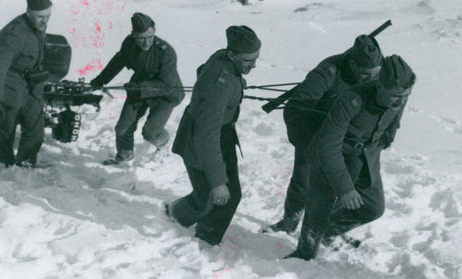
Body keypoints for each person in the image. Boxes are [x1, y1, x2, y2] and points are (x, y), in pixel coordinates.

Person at [286, 54, 416, 261]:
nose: (401, 101)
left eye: (405, 95)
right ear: (379, 85)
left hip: (365, 156)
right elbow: (328, 146)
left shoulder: (398, 97)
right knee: (318, 209)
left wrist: (387, 138)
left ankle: (327, 232)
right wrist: (345, 188)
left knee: (373, 208)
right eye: (395, 96)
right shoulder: (351, 100)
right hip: (330, 157)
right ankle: (304, 255)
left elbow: (394, 120)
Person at [266, 34, 383, 233]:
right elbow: (295, 111)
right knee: (303, 182)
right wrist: (311, 149)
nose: (371, 80)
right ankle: (289, 223)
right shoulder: (328, 72)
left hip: (350, 139)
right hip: (315, 134)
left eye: (374, 74)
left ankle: (328, 228)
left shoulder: (377, 73)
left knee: (344, 186)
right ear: (352, 64)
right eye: (365, 75)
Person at [165, 25, 261, 246]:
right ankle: (199, 238)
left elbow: (202, 69)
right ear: (231, 54)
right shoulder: (219, 85)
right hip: (201, 140)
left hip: (222, 134)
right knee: (213, 194)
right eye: (247, 61)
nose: (253, 65)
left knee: (229, 194)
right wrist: (218, 182)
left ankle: (199, 230)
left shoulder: (222, 59)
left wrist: (237, 82)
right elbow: (207, 136)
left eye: (255, 59)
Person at [89, 13, 184, 165]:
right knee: (122, 129)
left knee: (150, 132)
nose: (146, 42)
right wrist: (100, 80)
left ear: (154, 32)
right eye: (141, 38)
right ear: (133, 35)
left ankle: (163, 144)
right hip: (139, 89)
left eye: (150, 37)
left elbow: (165, 84)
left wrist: (139, 86)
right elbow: (117, 62)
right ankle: (125, 156)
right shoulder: (129, 44)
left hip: (166, 94)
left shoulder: (166, 52)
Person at [0, 0, 53, 168]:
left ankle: (26, 163)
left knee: (36, 130)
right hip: (10, 81)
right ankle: (4, 164)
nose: (44, 20)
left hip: (31, 83)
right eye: (40, 16)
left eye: (47, 15)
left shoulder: (38, 24)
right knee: (6, 127)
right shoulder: (15, 33)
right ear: (29, 12)